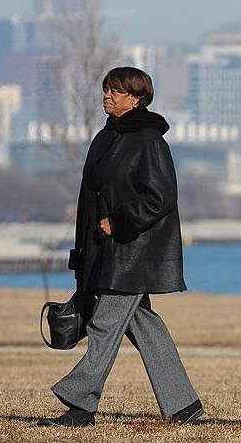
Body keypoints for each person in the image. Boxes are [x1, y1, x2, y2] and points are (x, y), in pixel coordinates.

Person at [40, 66, 203, 428]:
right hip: (105, 250)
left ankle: (80, 404)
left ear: (137, 98)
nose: (107, 96)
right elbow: (91, 199)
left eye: (115, 90)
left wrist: (118, 222)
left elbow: (160, 197)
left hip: (135, 252)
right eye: (106, 89)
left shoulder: (149, 140)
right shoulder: (105, 138)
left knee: (104, 325)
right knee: (143, 324)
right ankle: (184, 405)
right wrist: (83, 253)